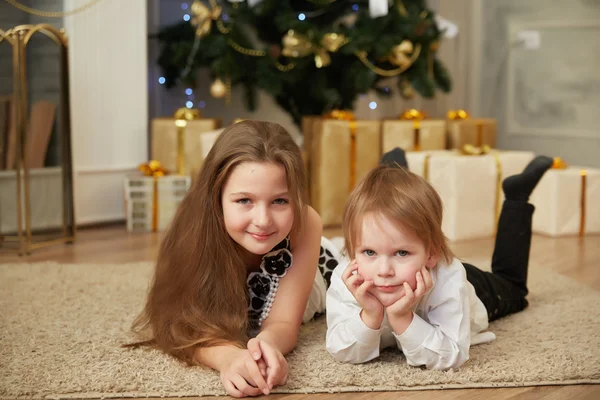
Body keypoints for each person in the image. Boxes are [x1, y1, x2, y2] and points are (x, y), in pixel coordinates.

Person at [126, 121, 341, 398]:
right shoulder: (192, 230)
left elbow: (284, 324)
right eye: (244, 201)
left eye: (280, 201)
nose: (262, 220)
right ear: (216, 198)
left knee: (364, 267)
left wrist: (264, 346)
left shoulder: (306, 222)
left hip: (317, 267)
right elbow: (178, 327)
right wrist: (228, 359)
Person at [325, 150, 554, 370]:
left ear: (431, 253)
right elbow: (340, 349)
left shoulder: (449, 279)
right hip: (418, 267)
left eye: (401, 253)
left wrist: (402, 317)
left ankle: (517, 199)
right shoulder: (349, 277)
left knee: (513, 287)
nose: (384, 271)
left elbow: (451, 354)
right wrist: (370, 315)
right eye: (369, 252)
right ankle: (395, 170)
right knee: (402, 219)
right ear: (353, 251)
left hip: (469, 285)